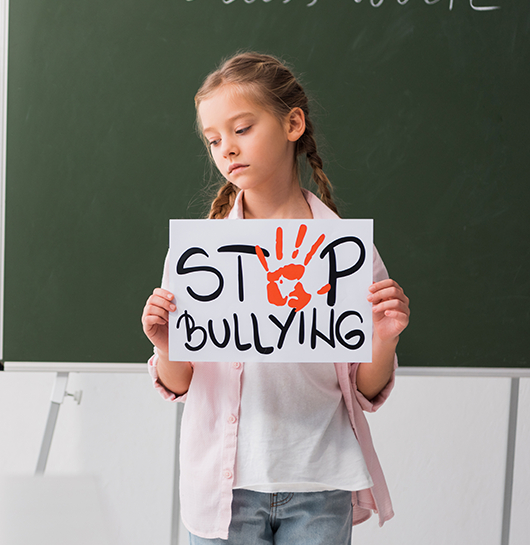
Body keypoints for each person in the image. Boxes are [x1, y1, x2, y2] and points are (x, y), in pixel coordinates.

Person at [141, 52, 410, 544]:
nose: (227, 150)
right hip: (227, 489)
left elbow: (366, 390)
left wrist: (385, 339)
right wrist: (165, 344)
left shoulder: (344, 250)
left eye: (242, 129)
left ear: (292, 123)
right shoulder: (200, 257)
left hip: (321, 482)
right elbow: (178, 382)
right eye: (214, 140)